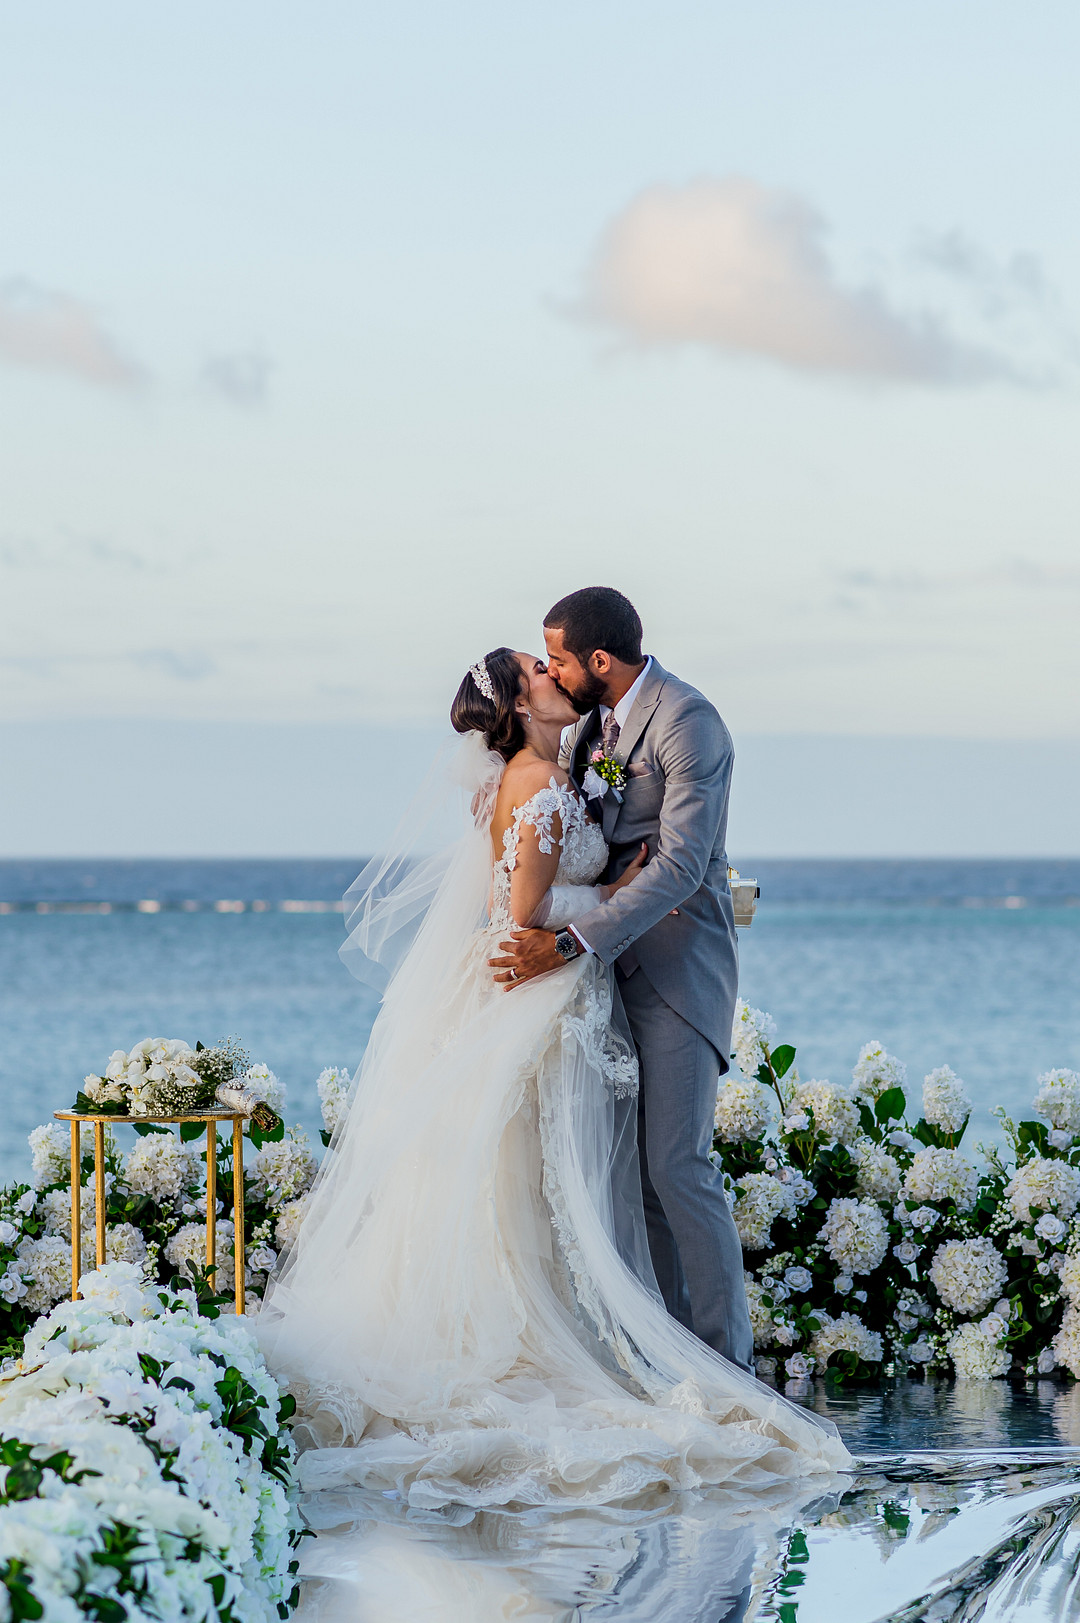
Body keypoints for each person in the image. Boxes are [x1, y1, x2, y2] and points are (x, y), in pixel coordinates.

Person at [257, 639, 850, 1511]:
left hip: (576, 993)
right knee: (542, 1185)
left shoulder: (571, 759)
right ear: (519, 706)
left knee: (557, 1186)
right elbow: (523, 914)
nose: (553, 673)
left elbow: (573, 874)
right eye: (538, 671)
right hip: (542, 994)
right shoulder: (535, 786)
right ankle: (607, 1356)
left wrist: (622, 875)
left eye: (554, 660)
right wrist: (626, 883)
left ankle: (652, 1352)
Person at [490, 587, 752, 1368]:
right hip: (599, 986)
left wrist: (570, 938)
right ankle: (674, 1364)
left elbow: (681, 865)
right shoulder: (585, 734)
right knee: (633, 1183)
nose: (555, 671)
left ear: (598, 660)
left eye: (560, 658)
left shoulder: (687, 721)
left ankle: (728, 1370)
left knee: (678, 1165)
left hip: (673, 970)